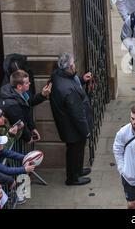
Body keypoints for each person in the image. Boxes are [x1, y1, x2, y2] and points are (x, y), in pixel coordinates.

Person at [49, 53, 94, 186]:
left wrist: (81, 79)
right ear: (69, 67)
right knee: (75, 151)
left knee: (77, 150)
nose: (75, 64)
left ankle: (78, 171)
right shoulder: (68, 90)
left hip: (68, 124)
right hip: (72, 127)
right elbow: (77, 114)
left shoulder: (59, 76)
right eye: (73, 63)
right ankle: (73, 178)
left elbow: (71, 82)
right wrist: (86, 130)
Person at [0, 69, 51, 144]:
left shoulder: (18, 92)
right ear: (19, 86)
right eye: (26, 83)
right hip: (13, 140)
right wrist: (28, 138)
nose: (29, 83)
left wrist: (42, 95)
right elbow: (20, 123)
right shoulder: (12, 105)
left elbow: (28, 104)